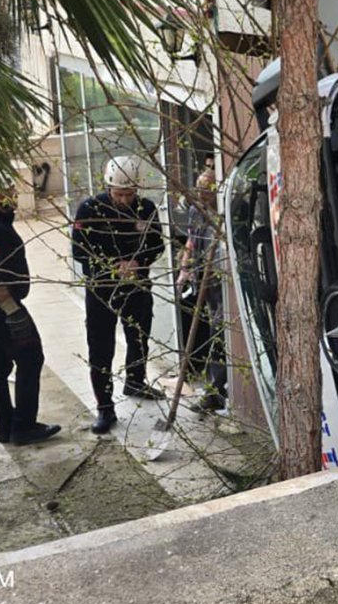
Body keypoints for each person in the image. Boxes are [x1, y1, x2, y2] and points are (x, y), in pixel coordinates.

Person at [72, 156, 166, 434]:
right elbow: (80, 251)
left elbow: (156, 244)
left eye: (129, 194)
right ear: (109, 188)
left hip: (137, 285)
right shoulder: (90, 209)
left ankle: (136, 381)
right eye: (119, 194)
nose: (124, 199)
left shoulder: (146, 209)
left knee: (139, 336)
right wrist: (112, 265)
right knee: (101, 348)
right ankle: (104, 407)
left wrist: (138, 262)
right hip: (102, 288)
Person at [0, 184, 60, 445]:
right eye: (8, 193)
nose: (13, 197)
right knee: (30, 357)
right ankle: (22, 427)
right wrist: (12, 312)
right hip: (1, 309)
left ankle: (6, 427)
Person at [177, 167, 227, 413]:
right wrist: (185, 267)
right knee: (212, 332)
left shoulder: (226, 211)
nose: (202, 194)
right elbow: (191, 240)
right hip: (205, 281)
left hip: (223, 280)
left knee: (219, 334)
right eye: (199, 188)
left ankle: (215, 391)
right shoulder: (197, 210)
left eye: (208, 189)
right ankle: (215, 391)